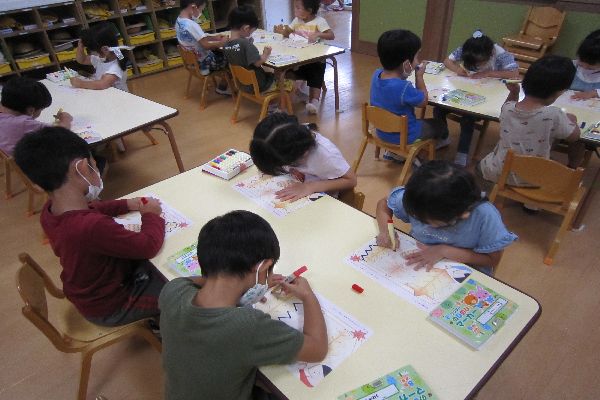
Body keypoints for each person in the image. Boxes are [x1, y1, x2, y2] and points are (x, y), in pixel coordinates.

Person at [159, 210, 327, 400]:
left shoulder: (173, 290)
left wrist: (244, 287)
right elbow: (317, 349)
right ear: (264, 266)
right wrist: (307, 295)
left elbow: (205, 280)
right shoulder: (247, 325)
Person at [13, 127, 166, 326]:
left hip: (91, 293)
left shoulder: (51, 210)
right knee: (183, 290)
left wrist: (128, 204)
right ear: (83, 168)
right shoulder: (91, 226)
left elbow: (94, 207)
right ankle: (165, 327)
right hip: (113, 305)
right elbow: (148, 246)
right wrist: (150, 214)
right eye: (94, 164)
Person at [376, 160, 517, 276]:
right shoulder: (420, 199)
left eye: (428, 222)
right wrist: (385, 230)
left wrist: (443, 251)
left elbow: (492, 260)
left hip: (464, 272)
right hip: (418, 264)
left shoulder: (484, 216)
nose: (419, 221)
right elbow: (383, 204)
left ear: (462, 215)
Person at [479, 55, 583, 187]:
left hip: (499, 172)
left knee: (481, 164)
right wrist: (573, 121)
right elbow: (574, 137)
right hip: (532, 179)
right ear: (559, 92)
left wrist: (514, 93)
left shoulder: (508, 108)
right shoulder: (554, 114)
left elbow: (507, 108)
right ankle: (532, 204)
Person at [436, 30, 519, 166]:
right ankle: (443, 137)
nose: (477, 65)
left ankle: (462, 153)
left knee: (468, 117)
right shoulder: (469, 48)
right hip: (467, 89)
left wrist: (488, 73)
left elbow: (514, 73)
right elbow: (447, 61)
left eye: (480, 62)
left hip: (489, 94)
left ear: (490, 53)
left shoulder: (500, 53)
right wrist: (458, 70)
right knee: (438, 109)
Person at [370, 29, 447, 162]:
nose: (417, 61)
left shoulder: (376, 74)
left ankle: (393, 152)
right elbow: (423, 101)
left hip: (381, 131)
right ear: (406, 64)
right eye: (416, 57)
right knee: (439, 125)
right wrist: (419, 76)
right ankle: (417, 150)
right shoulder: (404, 87)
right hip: (404, 136)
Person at [250, 113, 357, 201]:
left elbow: (351, 180)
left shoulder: (326, 154)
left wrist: (310, 186)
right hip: (301, 183)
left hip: (325, 197)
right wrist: (292, 169)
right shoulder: (287, 136)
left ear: (302, 154)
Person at [276, 0, 335, 114]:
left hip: (316, 59)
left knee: (316, 76)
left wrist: (318, 34)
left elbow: (331, 35)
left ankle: (314, 102)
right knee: (288, 73)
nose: (295, 10)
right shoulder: (296, 20)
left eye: (298, 8)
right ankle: (296, 93)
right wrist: (283, 31)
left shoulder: (319, 21)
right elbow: (287, 32)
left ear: (309, 11)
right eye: (295, 7)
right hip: (299, 58)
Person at [0, 77, 72, 155]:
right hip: (17, 160)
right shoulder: (23, 123)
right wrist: (66, 119)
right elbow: (60, 132)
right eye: (41, 109)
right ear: (31, 110)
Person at [176, 0, 230, 94]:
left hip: (193, 62)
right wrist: (221, 43)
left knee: (220, 51)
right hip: (204, 63)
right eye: (201, 9)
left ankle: (223, 80)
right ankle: (222, 87)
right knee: (231, 56)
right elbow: (206, 45)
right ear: (193, 7)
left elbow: (199, 37)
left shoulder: (179, 21)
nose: (201, 12)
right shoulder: (191, 25)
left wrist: (215, 38)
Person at [222, 6, 274, 93]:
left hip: (242, 84)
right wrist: (266, 54)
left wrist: (248, 44)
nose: (250, 34)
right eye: (251, 32)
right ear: (246, 28)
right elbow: (257, 63)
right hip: (258, 84)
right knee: (280, 77)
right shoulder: (246, 44)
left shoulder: (225, 45)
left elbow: (239, 52)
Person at [70, 23, 130, 91]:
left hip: (118, 96)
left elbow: (102, 84)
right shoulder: (102, 59)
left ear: (104, 50)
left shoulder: (115, 67)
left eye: (95, 51)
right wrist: (80, 46)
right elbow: (82, 60)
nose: (94, 54)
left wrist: (80, 83)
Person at [570, 29, 600, 100]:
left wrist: (594, 93)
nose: (584, 68)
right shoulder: (570, 67)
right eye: (580, 64)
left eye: (590, 68)